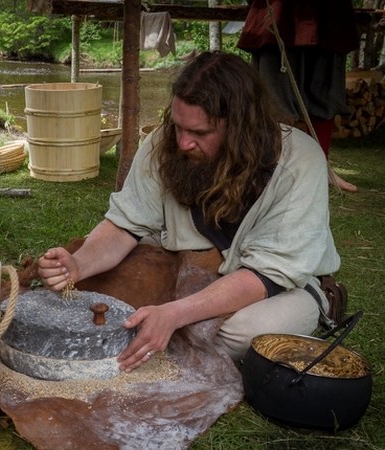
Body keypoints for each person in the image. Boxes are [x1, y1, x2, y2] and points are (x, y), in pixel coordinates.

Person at [38, 51, 340, 373]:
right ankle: (166, 323)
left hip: (275, 284)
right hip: (187, 265)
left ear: (241, 127)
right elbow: (126, 224)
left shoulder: (299, 162)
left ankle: (326, 299)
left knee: (240, 333)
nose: (182, 143)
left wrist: (174, 313)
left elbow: (266, 274)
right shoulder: (162, 143)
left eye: (200, 133)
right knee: (105, 294)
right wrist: (78, 264)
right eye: (180, 126)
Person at [237, 0, 360, 192]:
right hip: (280, 14)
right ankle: (270, 169)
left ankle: (320, 168)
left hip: (330, 16)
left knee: (324, 97)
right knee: (274, 101)